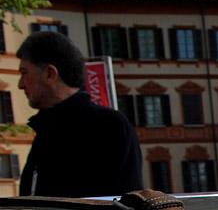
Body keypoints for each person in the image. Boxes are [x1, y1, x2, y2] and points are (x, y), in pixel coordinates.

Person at [17, 31, 142, 197]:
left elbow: (124, 207)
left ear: (49, 74)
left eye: (24, 73)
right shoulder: (47, 131)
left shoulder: (110, 127)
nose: (20, 84)